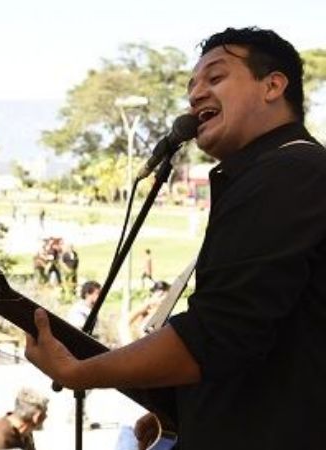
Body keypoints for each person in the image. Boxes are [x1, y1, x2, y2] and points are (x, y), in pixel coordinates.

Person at [25, 28, 326, 450]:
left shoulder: (287, 174)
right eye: (192, 86)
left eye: (215, 78)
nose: (196, 94)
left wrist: (78, 372)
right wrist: (183, 410)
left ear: (273, 85)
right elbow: (268, 345)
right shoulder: (274, 175)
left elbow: (219, 333)